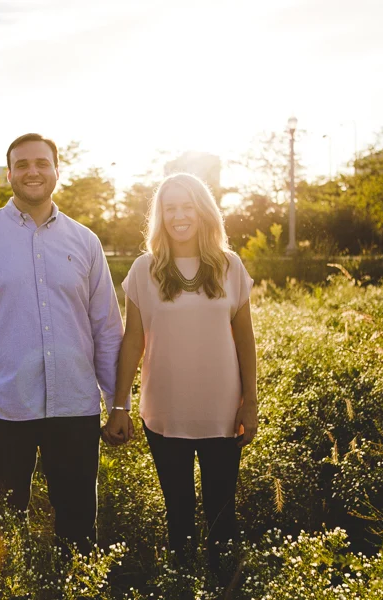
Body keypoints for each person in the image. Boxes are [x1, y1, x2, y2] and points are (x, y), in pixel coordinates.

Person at [0, 133, 125, 554]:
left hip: (75, 408)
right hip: (0, 409)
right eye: (22, 165)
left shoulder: (85, 242)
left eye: (42, 163)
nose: (32, 171)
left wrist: (117, 402)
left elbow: (107, 328)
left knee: (77, 530)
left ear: (57, 171)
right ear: (9, 175)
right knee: (0, 532)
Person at [103, 172, 258, 576]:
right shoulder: (144, 269)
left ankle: (224, 583)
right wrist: (120, 404)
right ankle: (183, 584)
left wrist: (251, 403)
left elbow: (245, 340)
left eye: (187, 206)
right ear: (160, 216)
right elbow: (133, 341)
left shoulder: (230, 266)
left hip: (222, 414)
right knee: (179, 516)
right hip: (164, 414)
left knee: (223, 515)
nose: (179, 215)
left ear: (203, 211)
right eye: (170, 208)